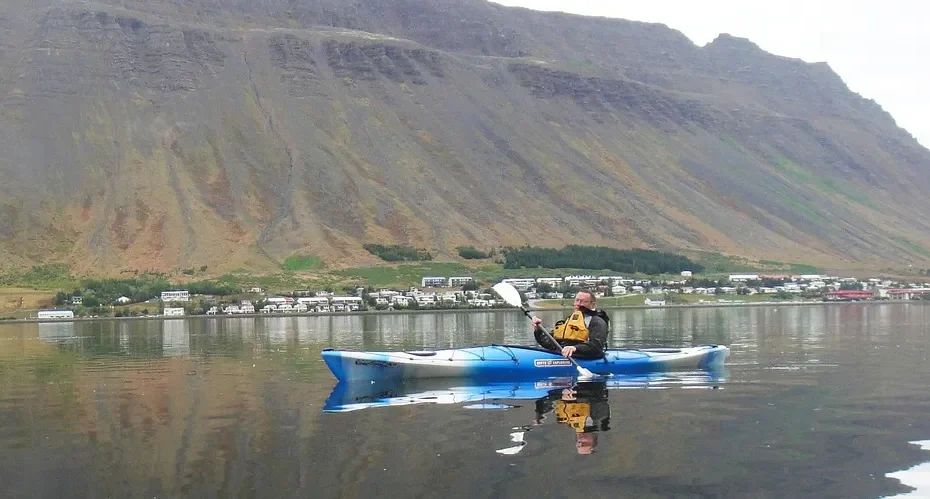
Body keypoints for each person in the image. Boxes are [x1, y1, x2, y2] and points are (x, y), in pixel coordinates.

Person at [533, 381, 610, 455]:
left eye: (578, 445)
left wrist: (539, 414)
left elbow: (547, 399)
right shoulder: (600, 417)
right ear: (593, 440)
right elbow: (597, 395)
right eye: (584, 444)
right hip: (585, 381)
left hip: (559, 385)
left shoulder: (568, 421)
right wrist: (575, 396)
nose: (579, 442)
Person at [531, 289, 609, 359]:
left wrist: (575, 348)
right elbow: (548, 343)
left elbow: (596, 347)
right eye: (577, 300)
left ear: (593, 305)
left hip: (583, 357)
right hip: (562, 355)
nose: (578, 304)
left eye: (583, 301)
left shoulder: (597, 322)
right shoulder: (569, 320)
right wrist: (538, 329)